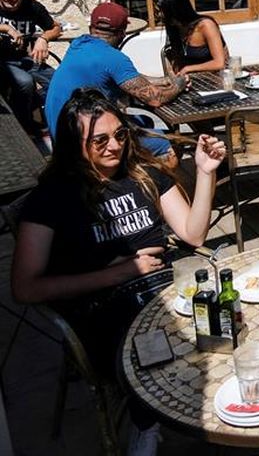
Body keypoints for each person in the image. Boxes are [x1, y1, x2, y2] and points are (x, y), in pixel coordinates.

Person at [12, 89, 225, 455]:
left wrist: (205, 173)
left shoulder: (144, 176)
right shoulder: (53, 198)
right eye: (100, 140)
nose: (114, 146)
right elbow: (25, 288)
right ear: (73, 143)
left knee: (225, 321)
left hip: (167, 289)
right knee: (157, 347)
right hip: (106, 308)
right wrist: (119, 272)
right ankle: (147, 427)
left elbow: (192, 233)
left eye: (120, 135)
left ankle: (225, 411)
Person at [45, 2, 187, 162]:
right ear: (122, 33)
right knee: (169, 147)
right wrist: (179, 85)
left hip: (61, 135)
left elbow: (124, 76)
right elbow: (155, 99)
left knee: (144, 120)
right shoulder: (114, 58)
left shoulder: (78, 44)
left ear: (92, 28)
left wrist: (162, 80)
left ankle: (131, 171)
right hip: (81, 144)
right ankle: (157, 186)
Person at [0, 0, 61, 137]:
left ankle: (52, 120)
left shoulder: (32, 7)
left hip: (25, 58)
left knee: (57, 80)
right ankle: (24, 127)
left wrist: (43, 39)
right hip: (3, 61)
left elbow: (55, 27)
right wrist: (6, 28)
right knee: (25, 82)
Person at [156, 0, 228, 75]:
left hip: (216, 78)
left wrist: (188, 69)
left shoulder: (205, 26)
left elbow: (219, 63)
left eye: (161, 11)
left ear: (173, 10)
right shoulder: (174, 28)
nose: (159, 14)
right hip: (192, 79)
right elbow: (176, 61)